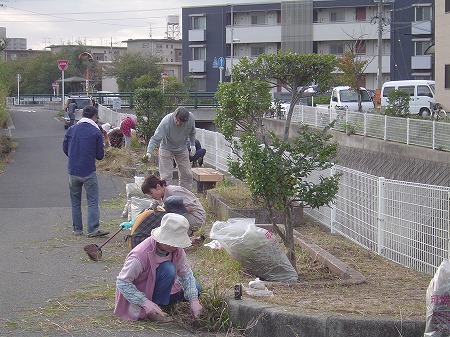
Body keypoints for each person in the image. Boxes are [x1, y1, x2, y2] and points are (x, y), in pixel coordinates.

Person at [114, 213, 203, 322]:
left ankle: (160, 305)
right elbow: (122, 282)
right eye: (173, 242)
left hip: (158, 287)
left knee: (196, 289)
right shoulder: (140, 255)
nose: (176, 246)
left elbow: (185, 274)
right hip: (141, 291)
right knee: (168, 269)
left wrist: (194, 301)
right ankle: (153, 310)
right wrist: (144, 302)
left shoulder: (176, 250)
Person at [62, 105, 109, 238]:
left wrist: (74, 155)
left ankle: (77, 229)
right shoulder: (95, 132)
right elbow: (100, 155)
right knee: (92, 201)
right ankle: (92, 229)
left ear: (82, 115)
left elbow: (65, 148)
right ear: (94, 116)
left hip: (73, 170)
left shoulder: (72, 129)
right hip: (88, 171)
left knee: (75, 201)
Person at [144, 107, 196, 190]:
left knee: (187, 174)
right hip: (166, 148)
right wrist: (149, 152)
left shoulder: (191, 118)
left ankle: (185, 195)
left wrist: (192, 144)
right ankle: (164, 198)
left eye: (182, 122)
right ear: (174, 116)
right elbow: (155, 138)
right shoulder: (166, 122)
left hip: (182, 148)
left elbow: (192, 132)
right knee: (166, 176)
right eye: (177, 120)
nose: (178, 123)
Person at [141, 175, 206, 235]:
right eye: (149, 195)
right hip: (185, 216)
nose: (151, 196)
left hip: (196, 218)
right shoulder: (160, 195)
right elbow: (152, 207)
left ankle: (186, 234)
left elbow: (191, 207)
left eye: (151, 193)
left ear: (158, 187)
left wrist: (173, 213)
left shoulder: (174, 191)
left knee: (166, 220)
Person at [121, 195, 188, 250]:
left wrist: (130, 223)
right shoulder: (164, 218)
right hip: (139, 244)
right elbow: (169, 239)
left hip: (135, 240)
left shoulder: (155, 211)